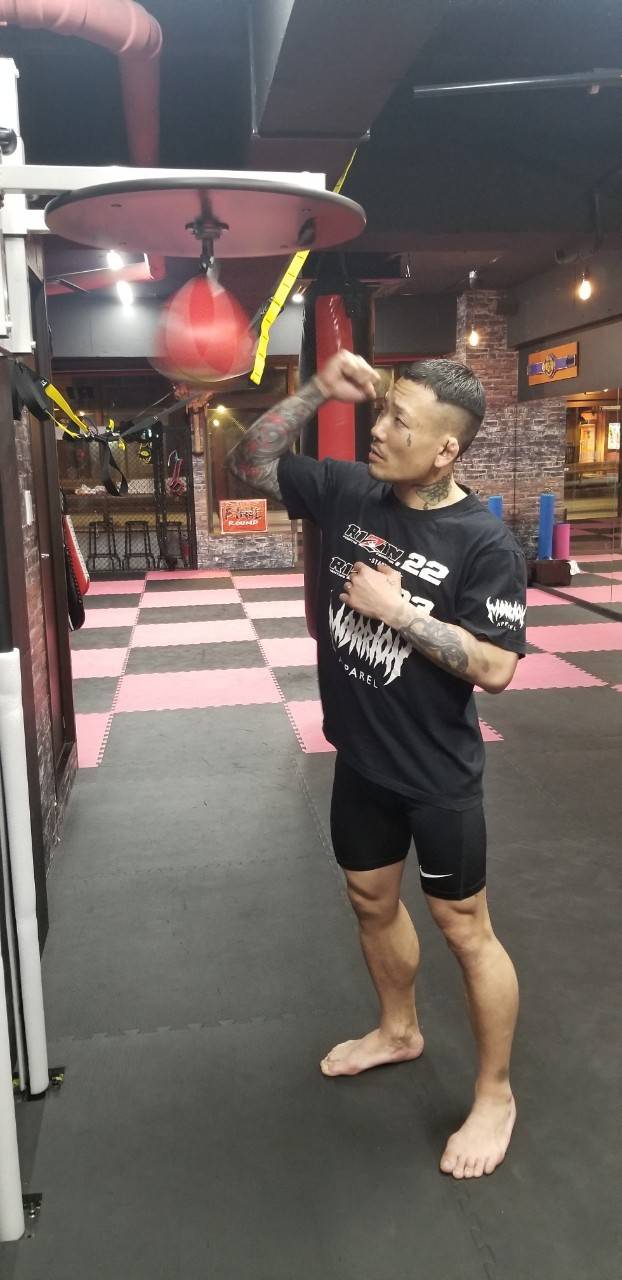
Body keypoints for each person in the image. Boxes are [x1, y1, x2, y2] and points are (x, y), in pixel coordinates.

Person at [227, 351, 527, 1180]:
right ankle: (399, 1030)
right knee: (369, 900)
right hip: (361, 759)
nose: (380, 429)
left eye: (402, 421)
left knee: (466, 929)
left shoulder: (484, 543)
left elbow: (498, 668)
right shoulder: (348, 491)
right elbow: (248, 463)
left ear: (446, 451)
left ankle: (495, 1094)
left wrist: (400, 611)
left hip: (437, 776)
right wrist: (318, 388)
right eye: (384, 408)